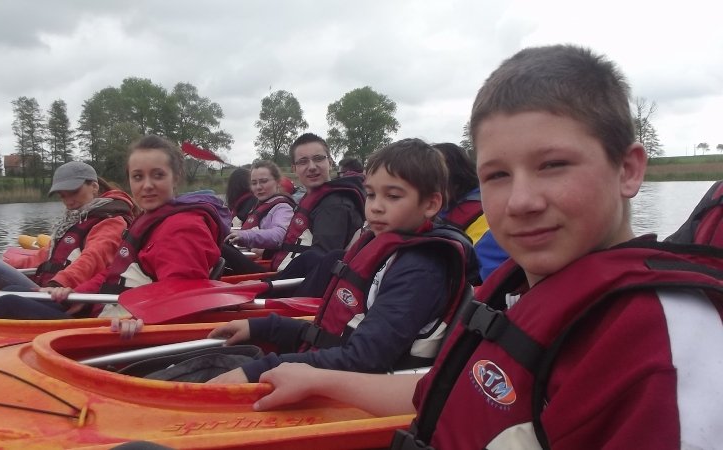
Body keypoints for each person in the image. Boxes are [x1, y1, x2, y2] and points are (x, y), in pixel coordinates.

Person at [251, 45, 723, 450]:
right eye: (497, 175)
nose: (520, 201)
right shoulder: (516, 290)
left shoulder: (666, 347)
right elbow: (446, 394)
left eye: (553, 165)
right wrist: (316, 378)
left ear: (628, 170)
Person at [206, 138, 474, 384]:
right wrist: (263, 326)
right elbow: (333, 334)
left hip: (354, 394)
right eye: (371, 194)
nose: (375, 207)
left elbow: (363, 360)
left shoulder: (420, 270)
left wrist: (260, 370)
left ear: (430, 204)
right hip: (328, 364)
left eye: (393, 196)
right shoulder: (385, 248)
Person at [0, 135, 230, 320]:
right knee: (12, 292)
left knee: (8, 303)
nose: (147, 185)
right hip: (103, 310)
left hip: (119, 325)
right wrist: (77, 293)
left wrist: (136, 320)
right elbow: (114, 271)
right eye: (138, 177)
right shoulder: (150, 219)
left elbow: (180, 298)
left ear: (176, 177)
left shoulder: (182, 228)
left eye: (158, 175)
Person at [0, 161, 135, 292]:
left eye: (73, 192)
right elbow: (42, 258)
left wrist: (58, 283)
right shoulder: (75, 220)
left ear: (94, 186)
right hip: (49, 288)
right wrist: (1, 263)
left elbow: (93, 258)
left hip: (67, 294)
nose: (69, 201)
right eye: (62, 196)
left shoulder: (111, 220)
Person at [270, 133, 366, 272]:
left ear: (330, 163)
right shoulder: (313, 197)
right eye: (303, 162)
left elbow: (321, 265)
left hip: (296, 282)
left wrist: (269, 282)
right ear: (294, 168)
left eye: (318, 159)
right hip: (283, 273)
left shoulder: (334, 206)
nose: (312, 167)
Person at [433, 142, 508, 283]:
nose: (423, 185)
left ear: (456, 177)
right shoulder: (440, 210)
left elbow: (486, 275)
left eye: (433, 177)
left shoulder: (485, 215)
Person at [221, 160, 295, 275]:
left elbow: (279, 235)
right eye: (254, 183)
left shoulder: (283, 208)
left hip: (270, 271)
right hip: (255, 260)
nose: (258, 187)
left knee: (222, 249)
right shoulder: (259, 205)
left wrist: (245, 236)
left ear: (277, 182)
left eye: (264, 181)